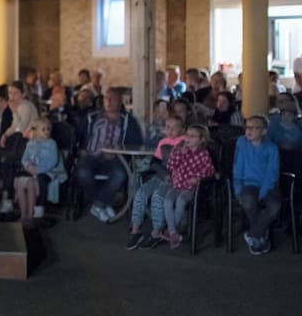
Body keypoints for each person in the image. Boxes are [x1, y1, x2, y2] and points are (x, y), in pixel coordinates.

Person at [76, 87, 144, 222]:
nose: (108, 101)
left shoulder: (128, 120)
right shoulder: (91, 117)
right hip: (91, 155)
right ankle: (103, 202)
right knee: (82, 172)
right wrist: (80, 148)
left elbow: (136, 142)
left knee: (120, 174)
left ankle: (98, 204)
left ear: (120, 102)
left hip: (115, 157)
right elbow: (78, 136)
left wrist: (118, 150)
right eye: (106, 98)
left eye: (112, 99)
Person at [126, 115, 185, 250]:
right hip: (160, 176)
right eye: (168, 127)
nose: (170, 131)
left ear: (182, 130)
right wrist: (164, 174)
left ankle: (156, 232)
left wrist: (170, 176)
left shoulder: (184, 142)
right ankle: (135, 229)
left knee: (158, 196)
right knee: (140, 193)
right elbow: (154, 162)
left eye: (174, 128)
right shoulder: (163, 142)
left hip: (175, 180)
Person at [232, 115, 281, 255]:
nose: (249, 130)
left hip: (268, 185)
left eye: (255, 128)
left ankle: (254, 233)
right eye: (248, 127)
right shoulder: (242, 143)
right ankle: (260, 235)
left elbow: (272, 173)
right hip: (248, 184)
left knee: (274, 207)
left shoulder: (271, 148)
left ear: (264, 131)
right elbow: (237, 166)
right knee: (248, 202)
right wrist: (237, 188)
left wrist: (263, 192)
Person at [162, 124, 215, 250]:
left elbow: (209, 171)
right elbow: (170, 166)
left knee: (181, 201)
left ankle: (171, 232)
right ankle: (173, 233)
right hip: (177, 185)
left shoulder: (203, 154)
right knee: (167, 201)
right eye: (187, 135)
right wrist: (180, 154)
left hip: (191, 187)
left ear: (201, 140)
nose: (188, 138)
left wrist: (198, 178)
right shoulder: (179, 149)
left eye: (193, 136)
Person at [0, 80, 40, 214]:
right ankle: (8, 197)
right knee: (6, 162)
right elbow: (14, 126)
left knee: (8, 163)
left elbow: (20, 128)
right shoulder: (20, 106)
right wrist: (4, 135)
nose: (12, 96)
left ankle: (8, 198)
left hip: (30, 142)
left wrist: (13, 111)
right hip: (20, 142)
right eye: (10, 93)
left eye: (15, 93)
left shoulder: (26, 106)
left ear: (23, 94)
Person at [16, 117, 66, 221]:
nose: (47, 131)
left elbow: (53, 161)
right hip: (32, 170)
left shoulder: (51, 143)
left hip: (48, 171)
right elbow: (24, 158)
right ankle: (23, 214)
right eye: (43, 129)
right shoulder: (30, 144)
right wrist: (28, 166)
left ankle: (35, 211)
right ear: (36, 131)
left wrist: (38, 169)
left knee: (39, 180)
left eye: (48, 129)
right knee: (20, 182)